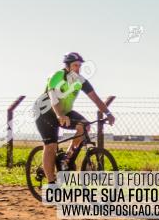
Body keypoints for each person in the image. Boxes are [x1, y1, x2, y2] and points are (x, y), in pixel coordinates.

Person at [34, 52, 115, 189]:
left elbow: (95, 98)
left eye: (79, 66)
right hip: (45, 112)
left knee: (85, 126)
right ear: (67, 66)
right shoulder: (57, 76)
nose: (78, 68)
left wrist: (108, 112)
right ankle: (52, 184)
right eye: (75, 65)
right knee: (51, 146)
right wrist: (60, 115)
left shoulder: (80, 80)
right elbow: (54, 99)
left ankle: (67, 157)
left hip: (64, 112)